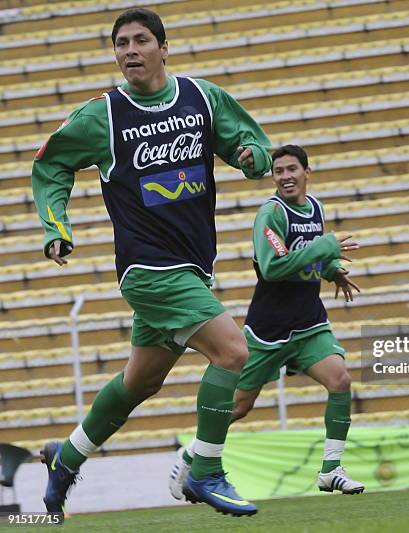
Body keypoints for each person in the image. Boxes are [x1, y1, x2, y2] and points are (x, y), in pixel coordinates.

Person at [32, 8, 272, 517]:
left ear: (164, 48)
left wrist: (254, 156)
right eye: (121, 43)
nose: (130, 51)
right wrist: (56, 227)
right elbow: (51, 160)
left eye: (141, 40)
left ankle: (67, 457)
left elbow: (247, 139)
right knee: (232, 352)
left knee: (140, 382)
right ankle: (204, 470)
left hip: (193, 266)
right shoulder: (103, 115)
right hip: (148, 271)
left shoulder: (201, 98)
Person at [169, 145, 365, 498]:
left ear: (308, 172)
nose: (286, 176)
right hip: (268, 330)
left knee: (340, 380)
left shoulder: (315, 208)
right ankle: (191, 455)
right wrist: (325, 248)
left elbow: (307, 255)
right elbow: (274, 268)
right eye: (279, 171)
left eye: (292, 169)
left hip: (308, 323)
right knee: (241, 405)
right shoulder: (270, 214)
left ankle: (331, 469)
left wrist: (331, 270)